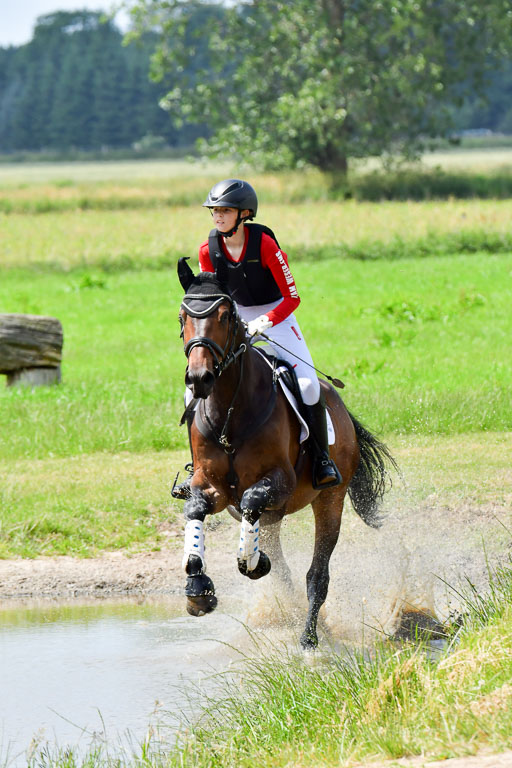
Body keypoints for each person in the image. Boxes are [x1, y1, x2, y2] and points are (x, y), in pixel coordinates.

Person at [173, 178, 341, 498]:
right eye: (214, 211)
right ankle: (199, 466)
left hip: (277, 316)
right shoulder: (207, 250)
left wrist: (264, 321)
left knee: (306, 385)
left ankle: (322, 460)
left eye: (224, 210)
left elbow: (292, 298)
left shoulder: (265, 245)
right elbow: (213, 296)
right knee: (193, 390)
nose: (217, 216)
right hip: (234, 317)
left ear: (244, 213)